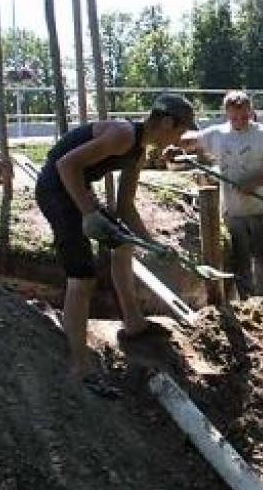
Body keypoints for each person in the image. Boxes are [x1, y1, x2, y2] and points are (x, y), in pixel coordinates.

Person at [35, 93, 196, 383]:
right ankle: (79, 366)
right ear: (168, 122)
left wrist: (153, 243)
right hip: (55, 191)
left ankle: (134, 324)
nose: (177, 140)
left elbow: (126, 206)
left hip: (76, 188)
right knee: (81, 278)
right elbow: (65, 166)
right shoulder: (122, 135)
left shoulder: (138, 152)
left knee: (122, 245)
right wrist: (89, 213)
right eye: (179, 132)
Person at [179, 90, 263, 298]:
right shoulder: (217, 134)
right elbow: (191, 141)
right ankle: (247, 303)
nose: (240, 121)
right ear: (226, 114)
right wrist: (175, 146)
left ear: (251, 111)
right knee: (240, 262)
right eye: (234, 117)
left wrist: (253, 183)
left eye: (244, 116)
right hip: (232, 212)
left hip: (259, 209)